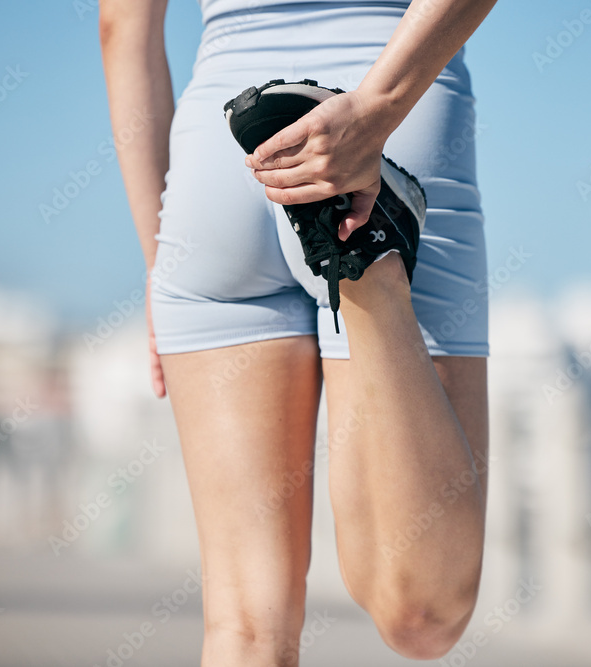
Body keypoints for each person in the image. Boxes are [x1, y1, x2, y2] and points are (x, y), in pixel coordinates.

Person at [98, 0, 496, 664]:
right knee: (421, 614)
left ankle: (360, 250)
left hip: (223, 151)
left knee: (245, 627)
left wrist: (159, 260)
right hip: (394, 110)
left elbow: (122, 27)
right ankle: (368, 253)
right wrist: (375, 111)